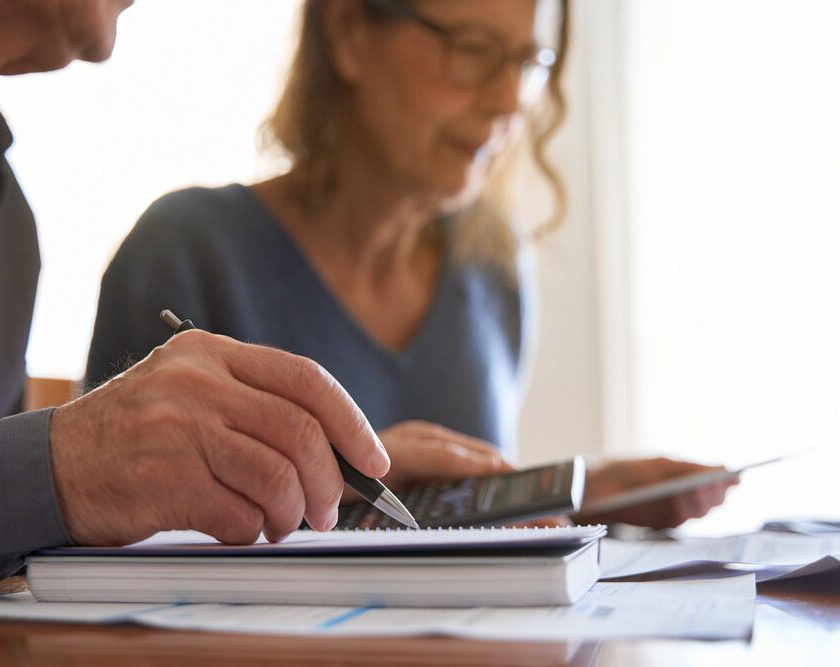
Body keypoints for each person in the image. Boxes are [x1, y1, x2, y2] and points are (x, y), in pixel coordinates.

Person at [86, 0, 736, 530]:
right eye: (475, 50)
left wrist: (578, 491)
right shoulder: (185, 252)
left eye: (527, 61)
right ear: (348, 32)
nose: (509, 100)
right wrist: (337, 482)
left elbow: (436, 525)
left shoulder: (493, 270)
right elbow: (106, 531)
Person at [0, 0, 456, 590]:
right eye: (470, 49)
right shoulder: (174, 239)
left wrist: (302, 471)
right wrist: (69, 467)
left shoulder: (5, 222)